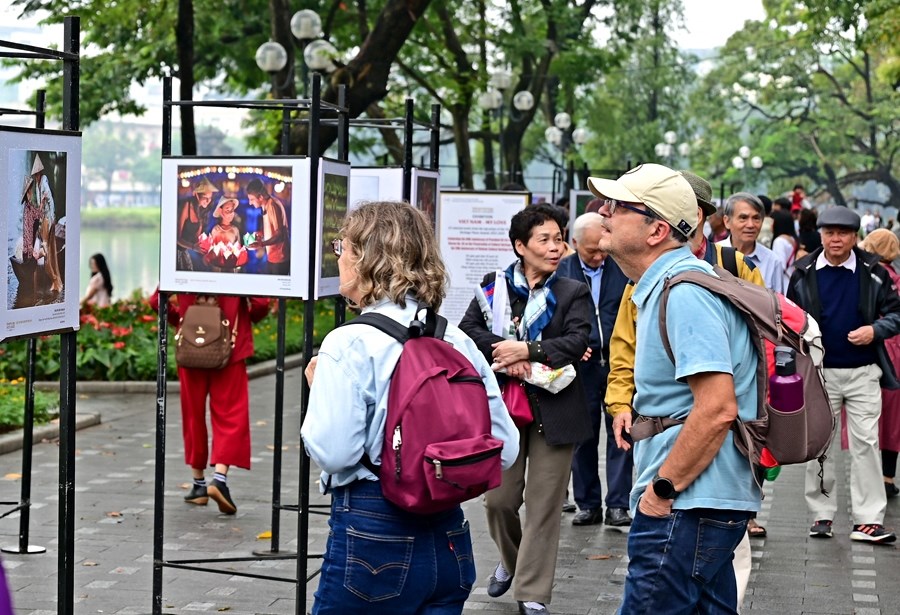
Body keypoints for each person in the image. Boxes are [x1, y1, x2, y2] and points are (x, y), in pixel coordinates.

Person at [300, 201, 518, 614]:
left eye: (341, 247)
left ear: (365, 257)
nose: (339, 257)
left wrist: (318, 392)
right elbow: (505, 449)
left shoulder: (348, 343)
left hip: (373, 529)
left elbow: (335, 452)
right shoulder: (455, 339)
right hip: (450, 535)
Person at [590, 163, 760, 613]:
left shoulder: (683, 293)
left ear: (656, 230)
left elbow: (718, 408)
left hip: (685, 507)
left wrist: (660, 492)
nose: (604, 212)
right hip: (699, 505)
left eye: (619, 206)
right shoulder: (671, 285)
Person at [459, 203, 592, 615]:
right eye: (545, 240)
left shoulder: (572, 290)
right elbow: (469, 332)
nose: (556, 247)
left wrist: (529, 351)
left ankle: (532, 592)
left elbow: (580, 341)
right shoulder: (493, 286)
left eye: (559, 238)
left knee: (543, 504)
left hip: (556, 409)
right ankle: (514, 562)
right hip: (504, 410)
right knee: (498, 501)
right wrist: (507, 356)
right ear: (520, 245)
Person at [787, 207, 900, 544]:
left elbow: (896, 314)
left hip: (864, 370)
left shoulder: (873, 272)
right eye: (829, 233)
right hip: (820, 373)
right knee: (821, 444)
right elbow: (789, 317)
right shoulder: (803, 272)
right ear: (821, 235)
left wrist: (875, 330)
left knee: (867, 443)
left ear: (854, 236)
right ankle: (822, 515)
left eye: (842, 233)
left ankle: (868, 520)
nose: (835, 239)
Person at [150, 290, 270, 514]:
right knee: (231, 413)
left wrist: (182, 320)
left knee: (193, 415)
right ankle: (219, 479)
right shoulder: (239, 261)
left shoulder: (181, 258)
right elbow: (261, 303)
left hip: (192, 346)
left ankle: (198, 485)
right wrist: (245, 317)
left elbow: (156, 300)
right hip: (230, 348)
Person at [556, 212, 632, 527]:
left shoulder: (622, 267)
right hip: (581, 364)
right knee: (582, 436)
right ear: (574, 244)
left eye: (602, 248)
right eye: (591, 251)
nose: (599, 255)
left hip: (618, 361)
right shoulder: (561, 272)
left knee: (622, 430)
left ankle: (618, 504)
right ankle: (588, 503)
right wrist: (571, 343)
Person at [858, 230, 900, 498]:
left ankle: (873, 478)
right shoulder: (895, 277)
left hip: (876, 349)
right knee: (893, 420)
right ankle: (887, 476)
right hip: (895, 350)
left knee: (871, 419)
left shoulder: (872, 276)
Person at [717, 192, 786, 293]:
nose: (750, 225)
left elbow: (777, 305)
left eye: (756, 218)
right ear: (727, 221)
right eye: (743, 218)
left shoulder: (773, 261)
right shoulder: (713, 254)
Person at [31, 154, 62, 294]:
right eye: (35, 175)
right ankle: (54, 280)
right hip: (44, 219)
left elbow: (50, 200)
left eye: (36, 174)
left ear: (39, 173)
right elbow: (40, 205)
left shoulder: (43, 181)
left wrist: (52, 217)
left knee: (47, 250)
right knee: (47, 249)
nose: (36, 176)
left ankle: (55, 280)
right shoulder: (37, 185)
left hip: (48, 219)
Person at [246, 178, 290, 275]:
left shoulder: (272, 206)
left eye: (252, 199)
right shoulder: (266, 205)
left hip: (279, 259)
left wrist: (261, 244)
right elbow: (273, 229)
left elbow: (280, 235)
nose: (250, 203)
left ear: (260, 197)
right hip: (272, 257)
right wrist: (261, 233)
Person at [176, 176, 218, 271]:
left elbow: (197, 238)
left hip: (192, 250)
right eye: (205, 198)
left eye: (210, 198)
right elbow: (176, 238)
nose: (208, 201)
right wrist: (193, 247)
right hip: (180, 251)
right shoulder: (186, 206)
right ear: (196, 195)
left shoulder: (203, 210)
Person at [770, 209, 804, 290]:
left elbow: (780, 267)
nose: (771, 225)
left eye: (773, 222)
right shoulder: (792, 239)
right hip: (792, 281)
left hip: (783, 285)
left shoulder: (779, 241)